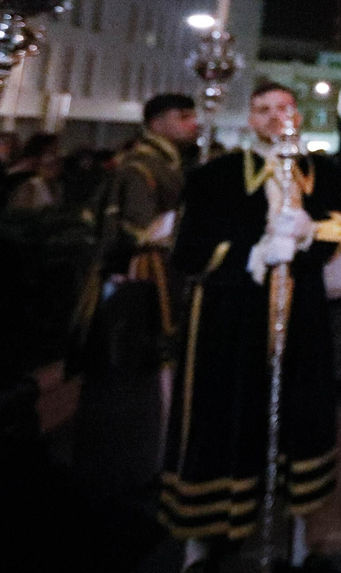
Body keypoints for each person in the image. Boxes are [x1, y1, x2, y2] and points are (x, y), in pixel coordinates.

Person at [160, 82, 341, 570]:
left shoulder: (319, 172)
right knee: (222, 416)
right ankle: (203, 537)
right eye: (263, 110)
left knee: (300, 415)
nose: (274, 117)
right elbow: (189, 248)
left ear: (297, 114)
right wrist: (251, 254)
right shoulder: (216, 176)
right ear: (250, 119)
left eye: (283, 107)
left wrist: (310, 236)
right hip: (229, 317)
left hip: (300, 314)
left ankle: (298, 532)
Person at [68, 95, 200, 502]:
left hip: (166, 277)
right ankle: (135, 463)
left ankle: (155, 456)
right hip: (145, 282)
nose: (193, 123)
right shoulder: (139, 167)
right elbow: (143, 229)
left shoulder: (171, 163)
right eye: (183, 116)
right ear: (157, 122)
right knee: (141, 370)